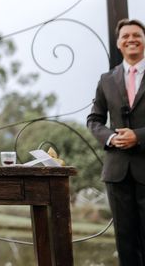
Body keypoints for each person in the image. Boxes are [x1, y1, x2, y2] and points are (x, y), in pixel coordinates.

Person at [88, 18, 145, 265]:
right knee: (124, 240)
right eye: (126, 36)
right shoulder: (106, 80)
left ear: (144, 41)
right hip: (117, 172)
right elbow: (94, 119)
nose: (131, 39)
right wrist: (111, 137)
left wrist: (139, 136)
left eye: (137, 35)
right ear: (119, 43)